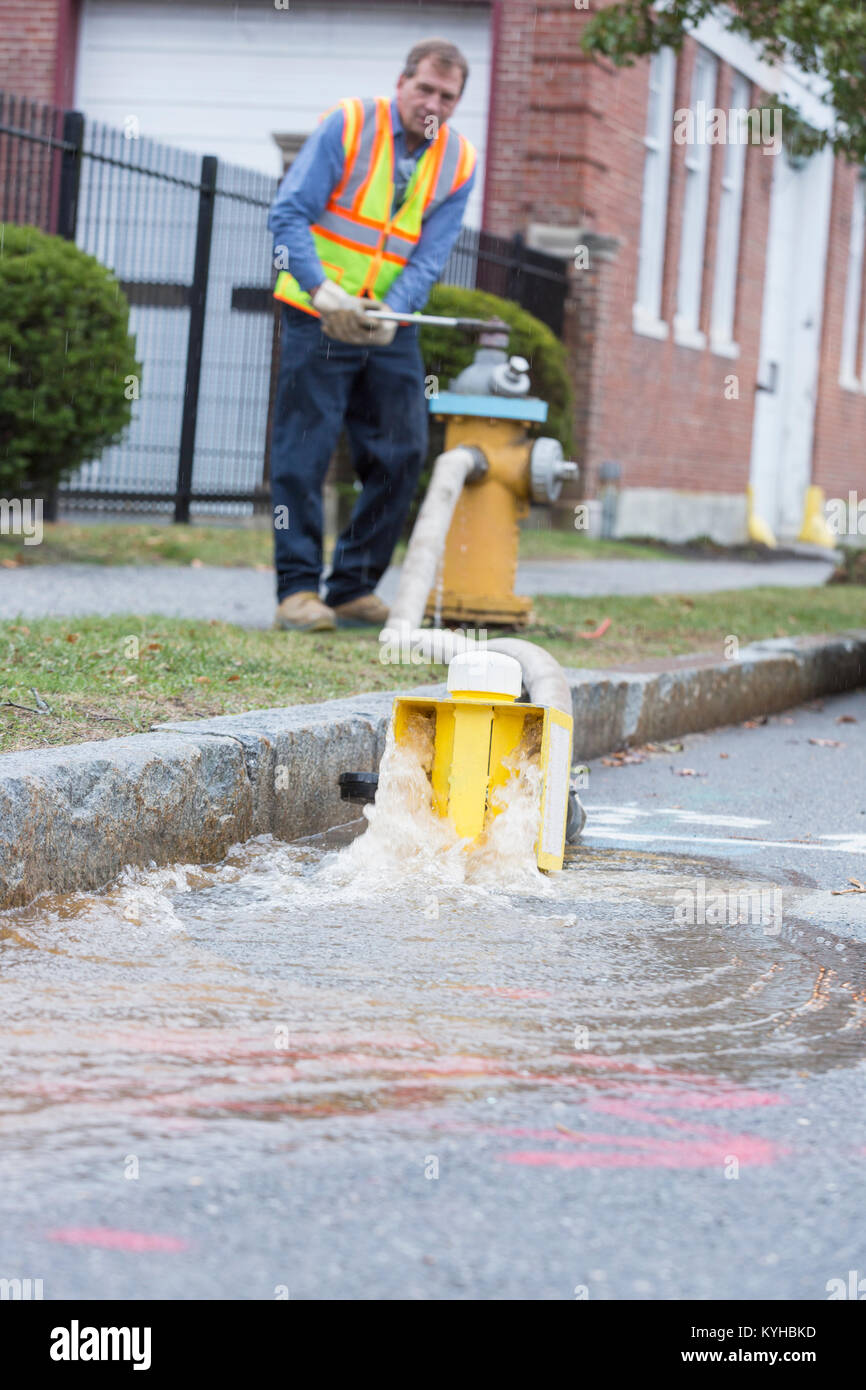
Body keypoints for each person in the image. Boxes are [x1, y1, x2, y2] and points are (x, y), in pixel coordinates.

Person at [266, 37, 476, 631]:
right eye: (425, 88)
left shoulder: (459, 161)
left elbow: (430, 258)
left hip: (388, 323)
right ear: (402, 82)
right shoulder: (350, 124)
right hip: (319, 313)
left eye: (447, 96)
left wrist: (394, 310)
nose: (433, 103)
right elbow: (287, 215)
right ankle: (297, 592)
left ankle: (353, 587)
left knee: (402, 452)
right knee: (304, 452)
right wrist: (319, 289)